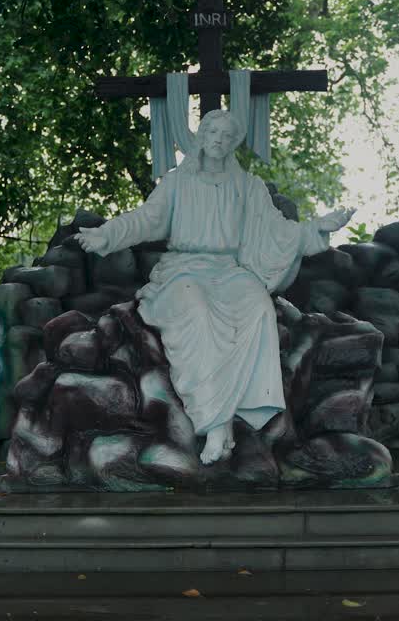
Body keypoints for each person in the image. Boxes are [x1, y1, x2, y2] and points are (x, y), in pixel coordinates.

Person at [76, 110, 354, 464]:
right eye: (213, 132)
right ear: (202, 136)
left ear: (233, 143)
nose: (219, 140)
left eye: (227, 135)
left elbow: (277, 229)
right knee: (198, 311)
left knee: (258, 308)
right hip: (183, 269)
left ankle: (243, 410)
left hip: (229, 270)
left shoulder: (248, 186)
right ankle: (216, 421)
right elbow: (145, 220)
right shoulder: (177, 182)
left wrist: (318, 227)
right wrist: (106, 234)